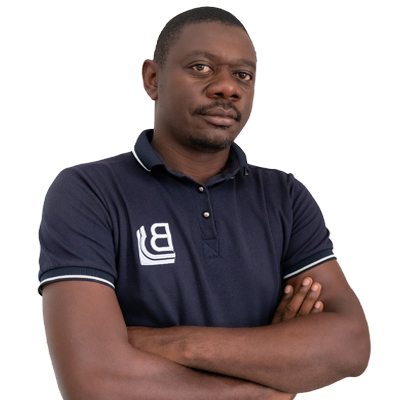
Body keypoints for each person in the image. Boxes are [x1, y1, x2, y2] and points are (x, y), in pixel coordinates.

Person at [39, 7, 370, 399]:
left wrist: (174, 345)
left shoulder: (284, 196)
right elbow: (94, 380)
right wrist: (265, 386)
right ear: (152, 79)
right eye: (201, 67)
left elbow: (350, 345)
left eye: (243, 75)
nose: (227, 88)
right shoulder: (88, 191)